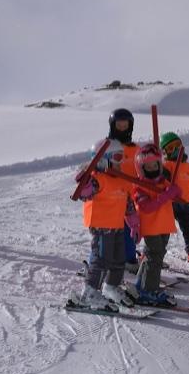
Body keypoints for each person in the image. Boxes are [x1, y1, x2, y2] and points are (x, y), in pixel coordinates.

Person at [75, 139, 135, 310]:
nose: (121, 161)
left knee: (118, 259)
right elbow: (84, 194)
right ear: (104, 159)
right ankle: (90, 292)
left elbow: (128, 203)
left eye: (123, 157)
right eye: (118, 157)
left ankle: (111, 287)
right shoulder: (97, 179)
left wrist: (133, 221)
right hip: (101, 227)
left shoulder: (122, 180)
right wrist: (84, 181)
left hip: (116, 226)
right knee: (101, 260)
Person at [130, 144, 182, 305]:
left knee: (153, 255)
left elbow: (177, 193)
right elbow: (147, 207)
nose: (152, 169)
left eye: (155, 165)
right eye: (148, 166)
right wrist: (166, 195)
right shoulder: (139, 187)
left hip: (164, 225)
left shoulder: (162, 181)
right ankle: (149, 290)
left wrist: (173, 190)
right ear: (141, 168)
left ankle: (141, 284)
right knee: (155, 257)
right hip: (151, 227)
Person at [106, 108, 142, 274]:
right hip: (110, 195)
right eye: (119, 125)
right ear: (113, 126)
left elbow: (144, 169)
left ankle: (129, 259)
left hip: (130, 196)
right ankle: (104, 259)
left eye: (125, 125)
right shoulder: (107, 146)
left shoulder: (135, 149)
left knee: (129, 228)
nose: (122, 128)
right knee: (108, 229)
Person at [160, 132, 189, 264]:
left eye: (177, 145)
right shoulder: (166, 165)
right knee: (163, 228)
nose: (176, 150)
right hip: (170, 203)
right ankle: (154, 253)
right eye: (171, 148)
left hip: (184, 203)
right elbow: (162, 181)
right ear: (164, 152)